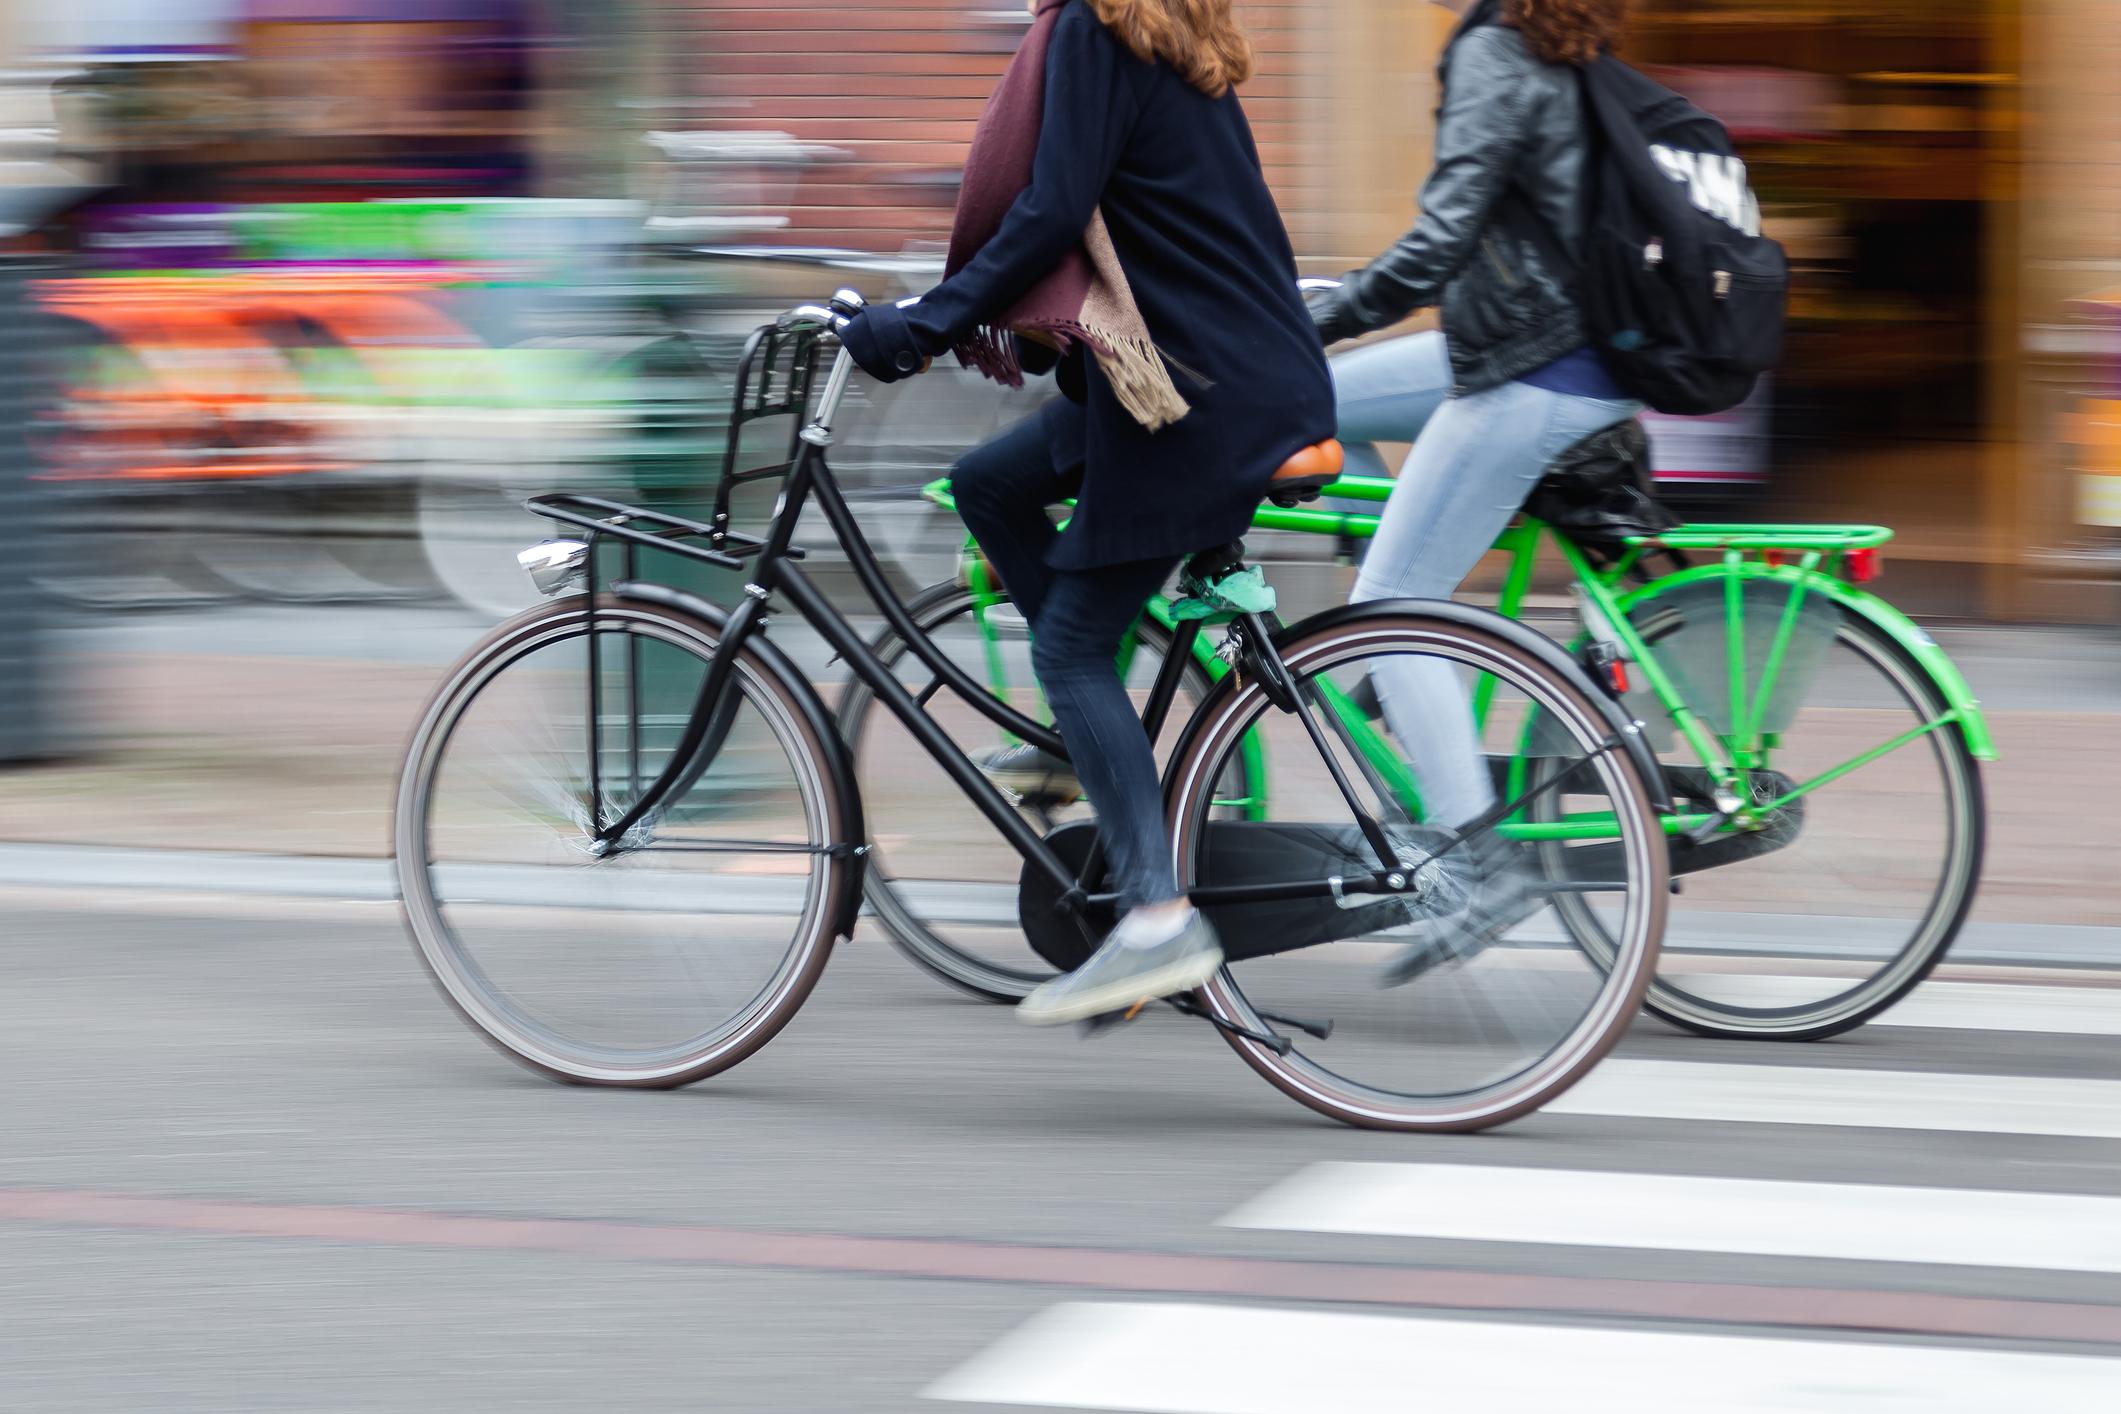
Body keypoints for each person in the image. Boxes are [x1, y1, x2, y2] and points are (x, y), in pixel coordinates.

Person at [838, 0, 1335, 1025]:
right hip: (1209, 376)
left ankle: (1156, 922)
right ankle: (1083, 747)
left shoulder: (1091, 35)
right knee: (991, 486)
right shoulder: (1171, 39)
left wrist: (922, 328)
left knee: (1069, 647)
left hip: (1190, 397)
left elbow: (1051, 212)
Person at [1304, 0, 1639, 983]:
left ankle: (1474, 869)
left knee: (1388, 610)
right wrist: (1320, 320)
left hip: (1534, 364)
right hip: (1544, 336)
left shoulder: (1496, 47)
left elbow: (1442, 237)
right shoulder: (1557, 43)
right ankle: (1398, 666)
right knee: (1308, 399)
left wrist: (1331, 312)